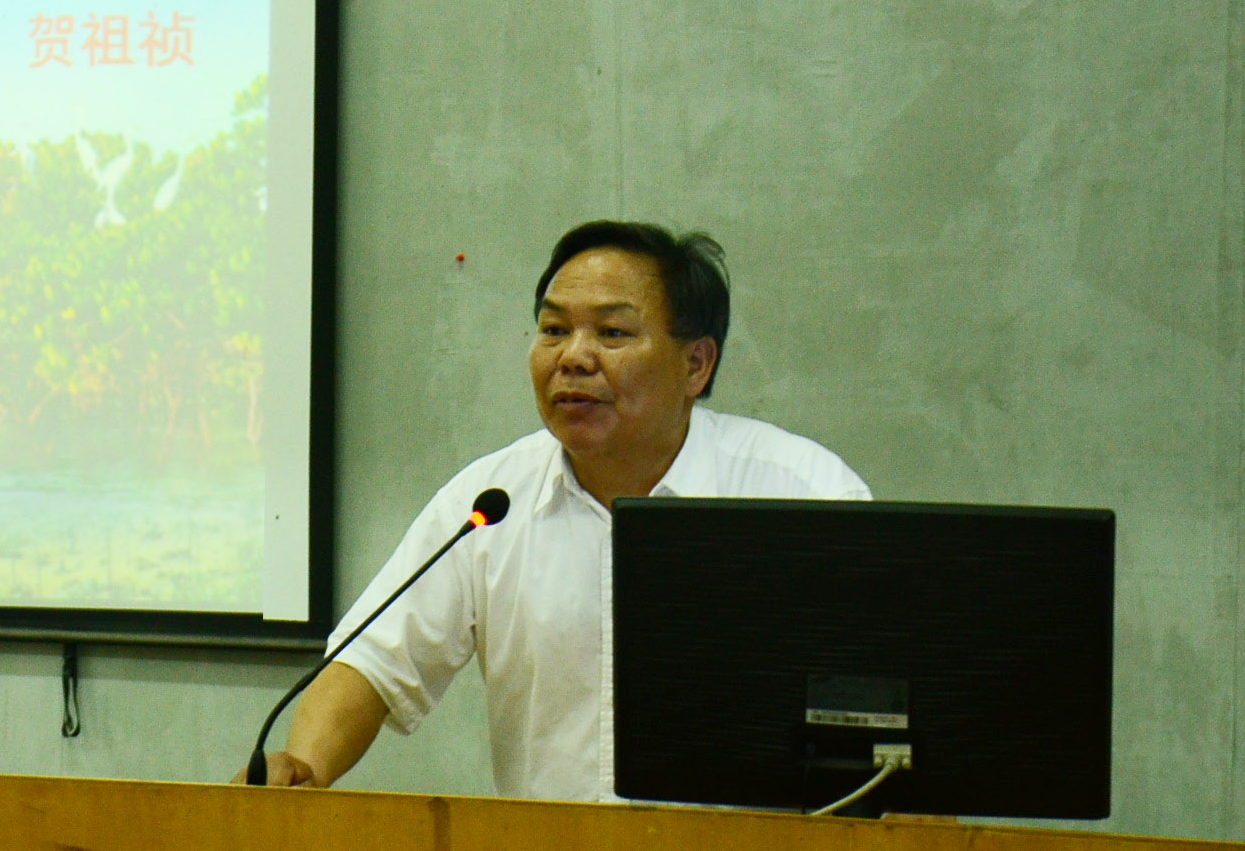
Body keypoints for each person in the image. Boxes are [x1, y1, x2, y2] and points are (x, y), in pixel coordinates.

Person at [248, 220, 868, 801]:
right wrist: (301, 770)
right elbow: (371, 663)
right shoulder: (490, 502)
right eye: (553, 330)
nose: (573, 357)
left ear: (696, 364)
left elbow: (880, 707)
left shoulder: (804, 494)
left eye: (612, 333)